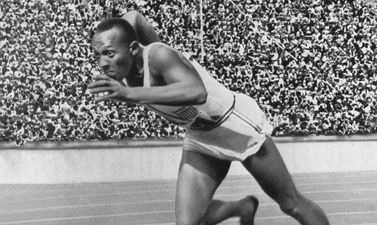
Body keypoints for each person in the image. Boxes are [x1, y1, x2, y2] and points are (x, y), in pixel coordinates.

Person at [88, 16, 330, 225]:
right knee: (188, 222)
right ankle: (240, 208)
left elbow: (197, 92)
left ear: (132, 48)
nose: (103, 63)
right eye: (98, 55)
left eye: (110, 53)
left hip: (234, 124)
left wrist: (130, 93)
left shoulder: (159, 56)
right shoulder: (124, 69)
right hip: (200, 136)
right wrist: (117, 35)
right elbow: (133, 17)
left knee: (291, 204)